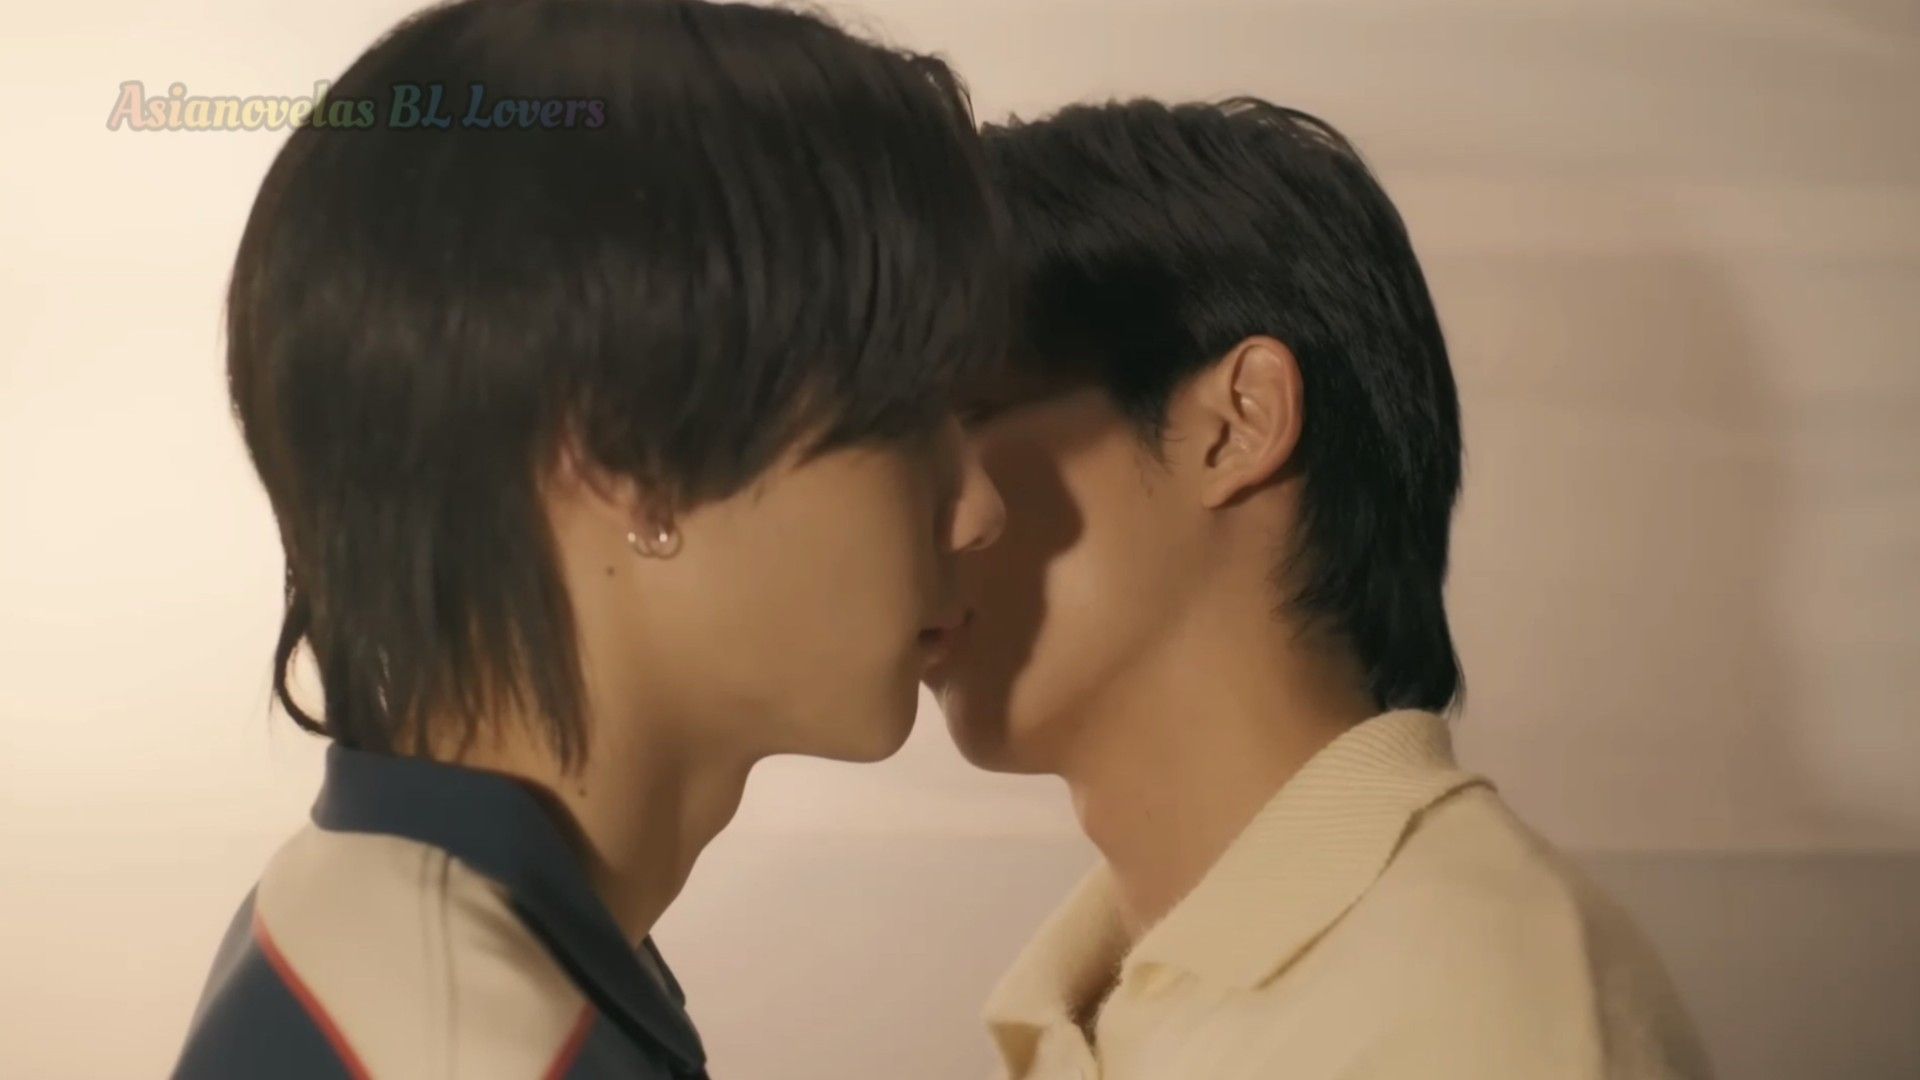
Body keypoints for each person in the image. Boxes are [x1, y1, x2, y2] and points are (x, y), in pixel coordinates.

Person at [174, 1, 1006, 1076]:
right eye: (911, 413)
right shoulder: (466, 1046)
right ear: (626, 456)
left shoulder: (393, 937)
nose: (981, 508)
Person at [927, 97, 1712, 1079]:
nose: (925, 505)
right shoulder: (1103, 990)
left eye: (969, 415)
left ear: (1237, 424)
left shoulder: (1483, 1011)